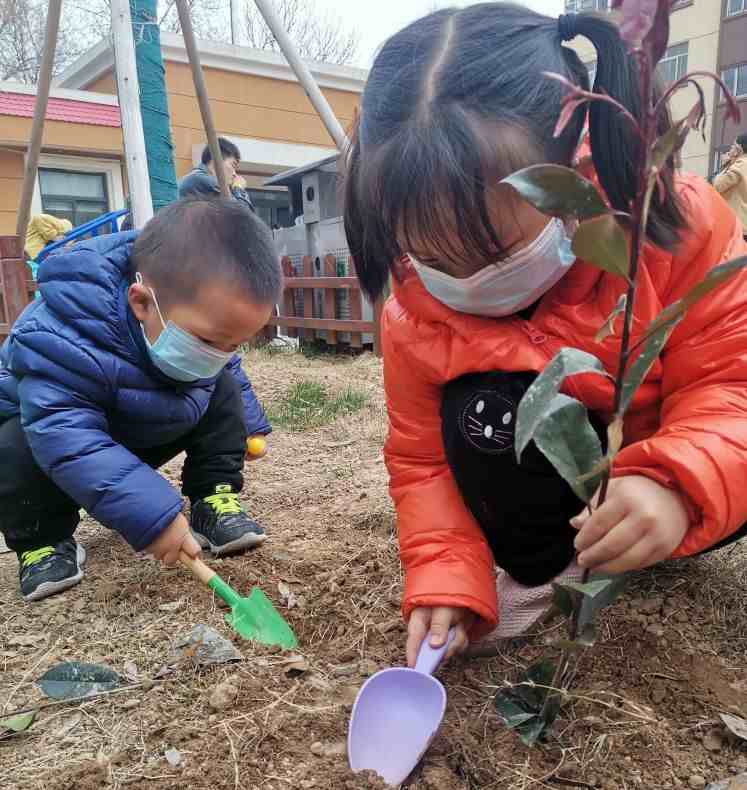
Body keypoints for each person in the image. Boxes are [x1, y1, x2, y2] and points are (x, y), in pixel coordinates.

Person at [343, 4, 747, 667]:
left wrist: (672, 485)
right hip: (554, 507)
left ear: (567, 182)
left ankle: (634, 532)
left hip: (692, 490)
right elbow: (423, 462)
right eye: (436, 260)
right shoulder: (412, 306)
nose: (467, 281)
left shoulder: (672, 224)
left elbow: (731, 384)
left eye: (495, 248)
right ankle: (543, 569)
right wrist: (446, 577)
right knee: (480, 408)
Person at [0, 198, 280, 602]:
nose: (219, 353)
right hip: (53, 446)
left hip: (138, 424)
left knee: (218, 383)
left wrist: (247, 423)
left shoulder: (198, 337)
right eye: (206, 340)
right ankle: (41, 541)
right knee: (13, 443)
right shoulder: (61, 334)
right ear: (142, 302)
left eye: (233, 344)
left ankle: (213, 496)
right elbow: (65, 435)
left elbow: (227, 370)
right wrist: (154, 518)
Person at [178, 137, 255, 212]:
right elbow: (243, 214)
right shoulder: (203, 180)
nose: (235, 174)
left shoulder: (196, 177)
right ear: (216, 160)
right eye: (233, 165)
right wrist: (238, 188)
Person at [714, 133, 747, 238]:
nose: (730, 148)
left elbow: (717, 186)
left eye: (733, 145)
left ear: (739, 150)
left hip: (734, 226)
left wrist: (726, 164)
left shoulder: (739, 166)